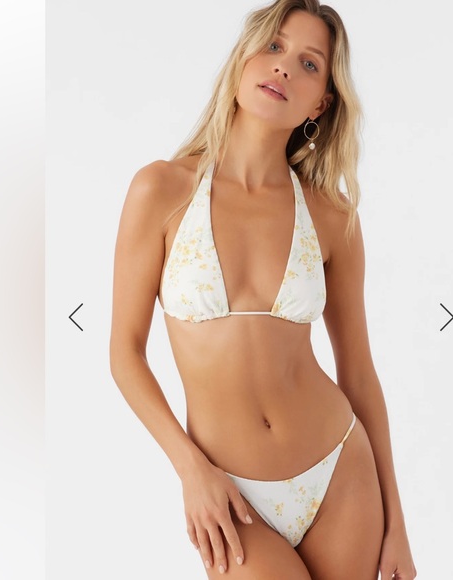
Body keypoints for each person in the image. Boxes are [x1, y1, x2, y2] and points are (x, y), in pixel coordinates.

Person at [110, 0, 417, 578]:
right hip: (229, 494)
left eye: (309, 63)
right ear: (243, 59)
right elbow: (125, 353)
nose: (283, 67)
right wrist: (191, 470)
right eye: (274, 46)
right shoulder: (162, 190)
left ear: (321, 103)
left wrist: (397, 523)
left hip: (339, 473)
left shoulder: (331, 216)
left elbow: (358, 373)